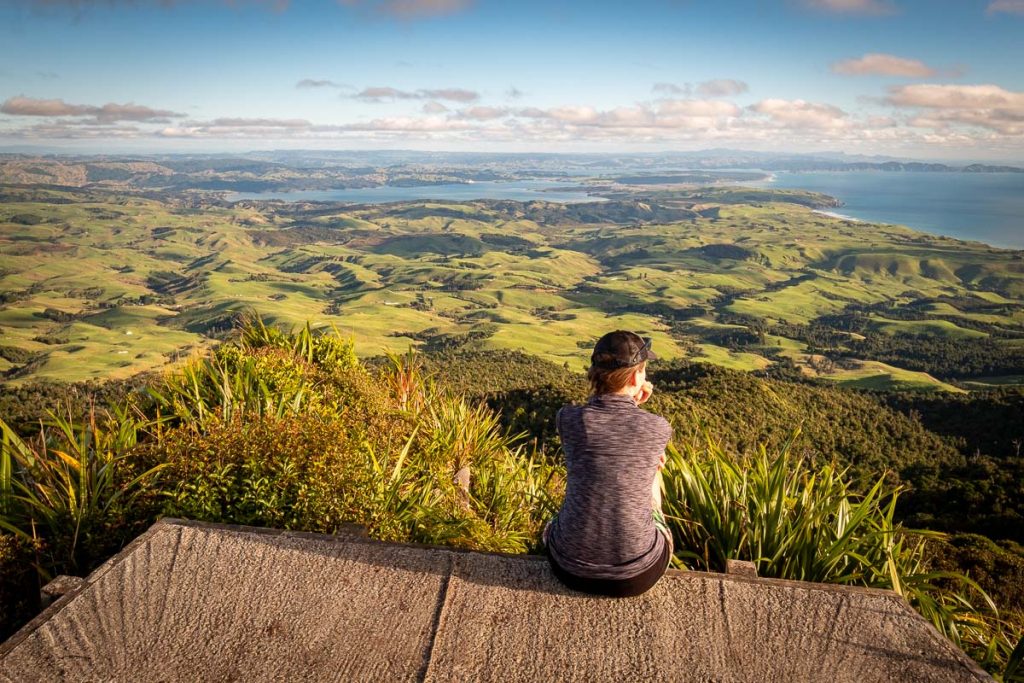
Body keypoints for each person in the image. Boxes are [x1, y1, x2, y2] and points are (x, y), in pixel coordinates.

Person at [542, 330, 674, 597]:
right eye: (643, 371)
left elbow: (605, 425)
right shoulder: (658, 427)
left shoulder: (567, 419)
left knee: (551, 523)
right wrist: (635, 403)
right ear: (636, 377)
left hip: (568, 569)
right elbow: (628, 431)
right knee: (655, 467)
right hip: (637, 575)